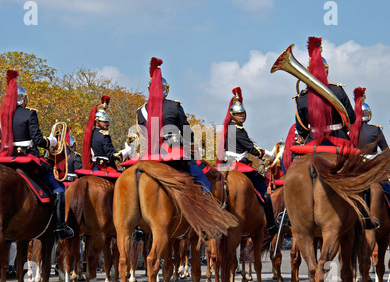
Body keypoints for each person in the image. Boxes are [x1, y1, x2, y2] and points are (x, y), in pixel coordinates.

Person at [0, 70, 73, 241]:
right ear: (23, 99)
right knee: (58, 187)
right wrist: (50, 142)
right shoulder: (29, 113)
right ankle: (59, 227)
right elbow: (37, 140)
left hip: (6, 160)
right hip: (27, 159)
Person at [135, 57, 211, 192]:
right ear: (165, 89)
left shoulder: (140, 112)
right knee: (205, 185)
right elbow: (187, 132)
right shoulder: (174, 106)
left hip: (148, 155)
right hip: (171, 152)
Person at [217, 87, 279, 236]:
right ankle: (271, 225)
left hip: (227, 163)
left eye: (243, 113)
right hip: (238, 165)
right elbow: (251, 148)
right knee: (265, 192)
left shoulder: (231, 128)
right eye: (238, 114)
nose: (242, 116)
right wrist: (266, 154)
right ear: (232, 115)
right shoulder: (237, 130)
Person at [294, 37, 356, 145]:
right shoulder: (338, 90)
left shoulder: (302, 98)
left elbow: (301, 130)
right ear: (326, 70)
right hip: (340, 139)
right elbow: (352, 118)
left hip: (314, 141)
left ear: (309, 71)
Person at [82, 95, 119, 170]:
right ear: (97, 121)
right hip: (106, 167)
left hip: (94, 167)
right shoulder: (104, 135)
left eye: (107, 121)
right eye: (105, 121)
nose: (108, 124)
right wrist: (123, 154)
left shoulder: (92, 133)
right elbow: (111, 155)